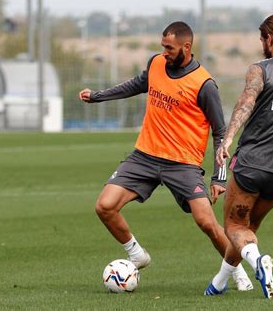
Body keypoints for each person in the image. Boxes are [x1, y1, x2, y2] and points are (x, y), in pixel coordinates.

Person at [78, 21, 253, 291]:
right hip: (144, 157)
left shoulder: (204, 84)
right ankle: (137, 254)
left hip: (183, 164)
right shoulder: (156, 64)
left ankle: (237, 271)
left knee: (206, 222)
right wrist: (98, 96)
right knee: (105, 206)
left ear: (186, 46)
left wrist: (220, 177)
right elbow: (135, 85)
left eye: (169, 48)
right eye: (162, 46)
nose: (164, 52)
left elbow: (220, 132)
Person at [204, 14, 273, 299]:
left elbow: (246, 101)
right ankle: (218, 284)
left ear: (269, 38)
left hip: (253, 164)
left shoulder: (261, 69)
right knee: (248, 230)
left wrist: (227, 139)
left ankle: (259, 264)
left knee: (233, 226)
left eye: (261, 40)